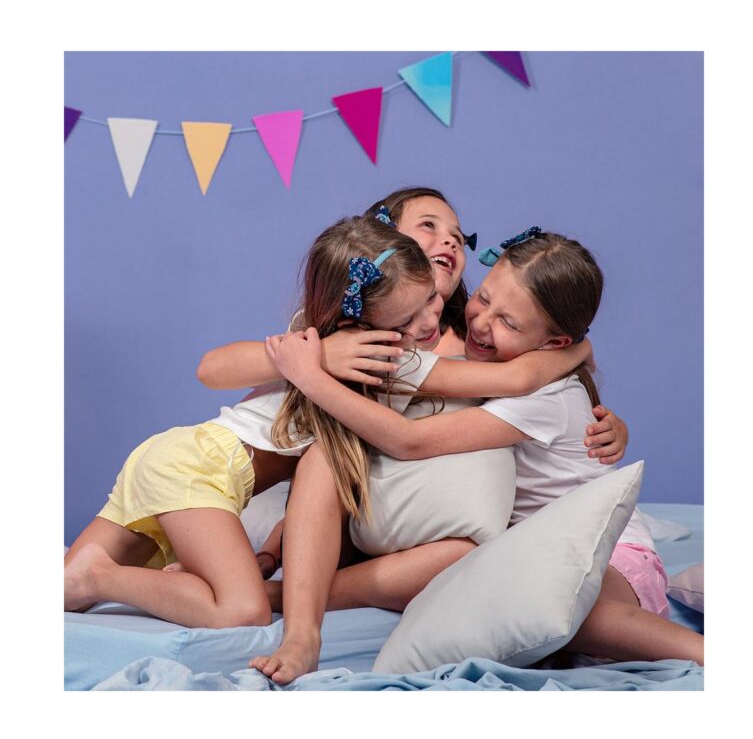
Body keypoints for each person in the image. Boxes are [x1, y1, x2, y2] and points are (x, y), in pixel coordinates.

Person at [64, 214, 590, 627]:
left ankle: (91, 577)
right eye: (408, 318)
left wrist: (577, 351)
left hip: (179, 460)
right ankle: (103, 578)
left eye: (433, 298)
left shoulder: (355, 345)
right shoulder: (375, 356)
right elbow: (513, 379)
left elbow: (511, 380)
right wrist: (576, 351)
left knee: (62, 593)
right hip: (196, 469)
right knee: (241, 611)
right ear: (360, 321)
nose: (428, 321)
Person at [260, 228, 703, 682]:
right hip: (524, 550)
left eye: (509, 322)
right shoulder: (488, 366)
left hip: (607, 552)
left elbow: (409, 441)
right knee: (485, 582)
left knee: (562, 606)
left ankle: (701, 651)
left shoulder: (545, 396)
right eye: (484, 298)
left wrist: (311, 377)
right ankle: (299, 599)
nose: (482, 322)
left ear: (555, 343)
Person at [198, 188, 627, 577]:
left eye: (458, 236)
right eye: (429, 227)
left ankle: (288, 570)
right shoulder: (345, 332)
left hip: (402, 501)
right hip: (331, 487)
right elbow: (212, 370)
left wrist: (593, 384)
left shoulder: (477, 342)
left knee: (446, 545)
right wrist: (320, 356)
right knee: (325, 462)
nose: (450, 241)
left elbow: (531, 388)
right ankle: (273, 558)